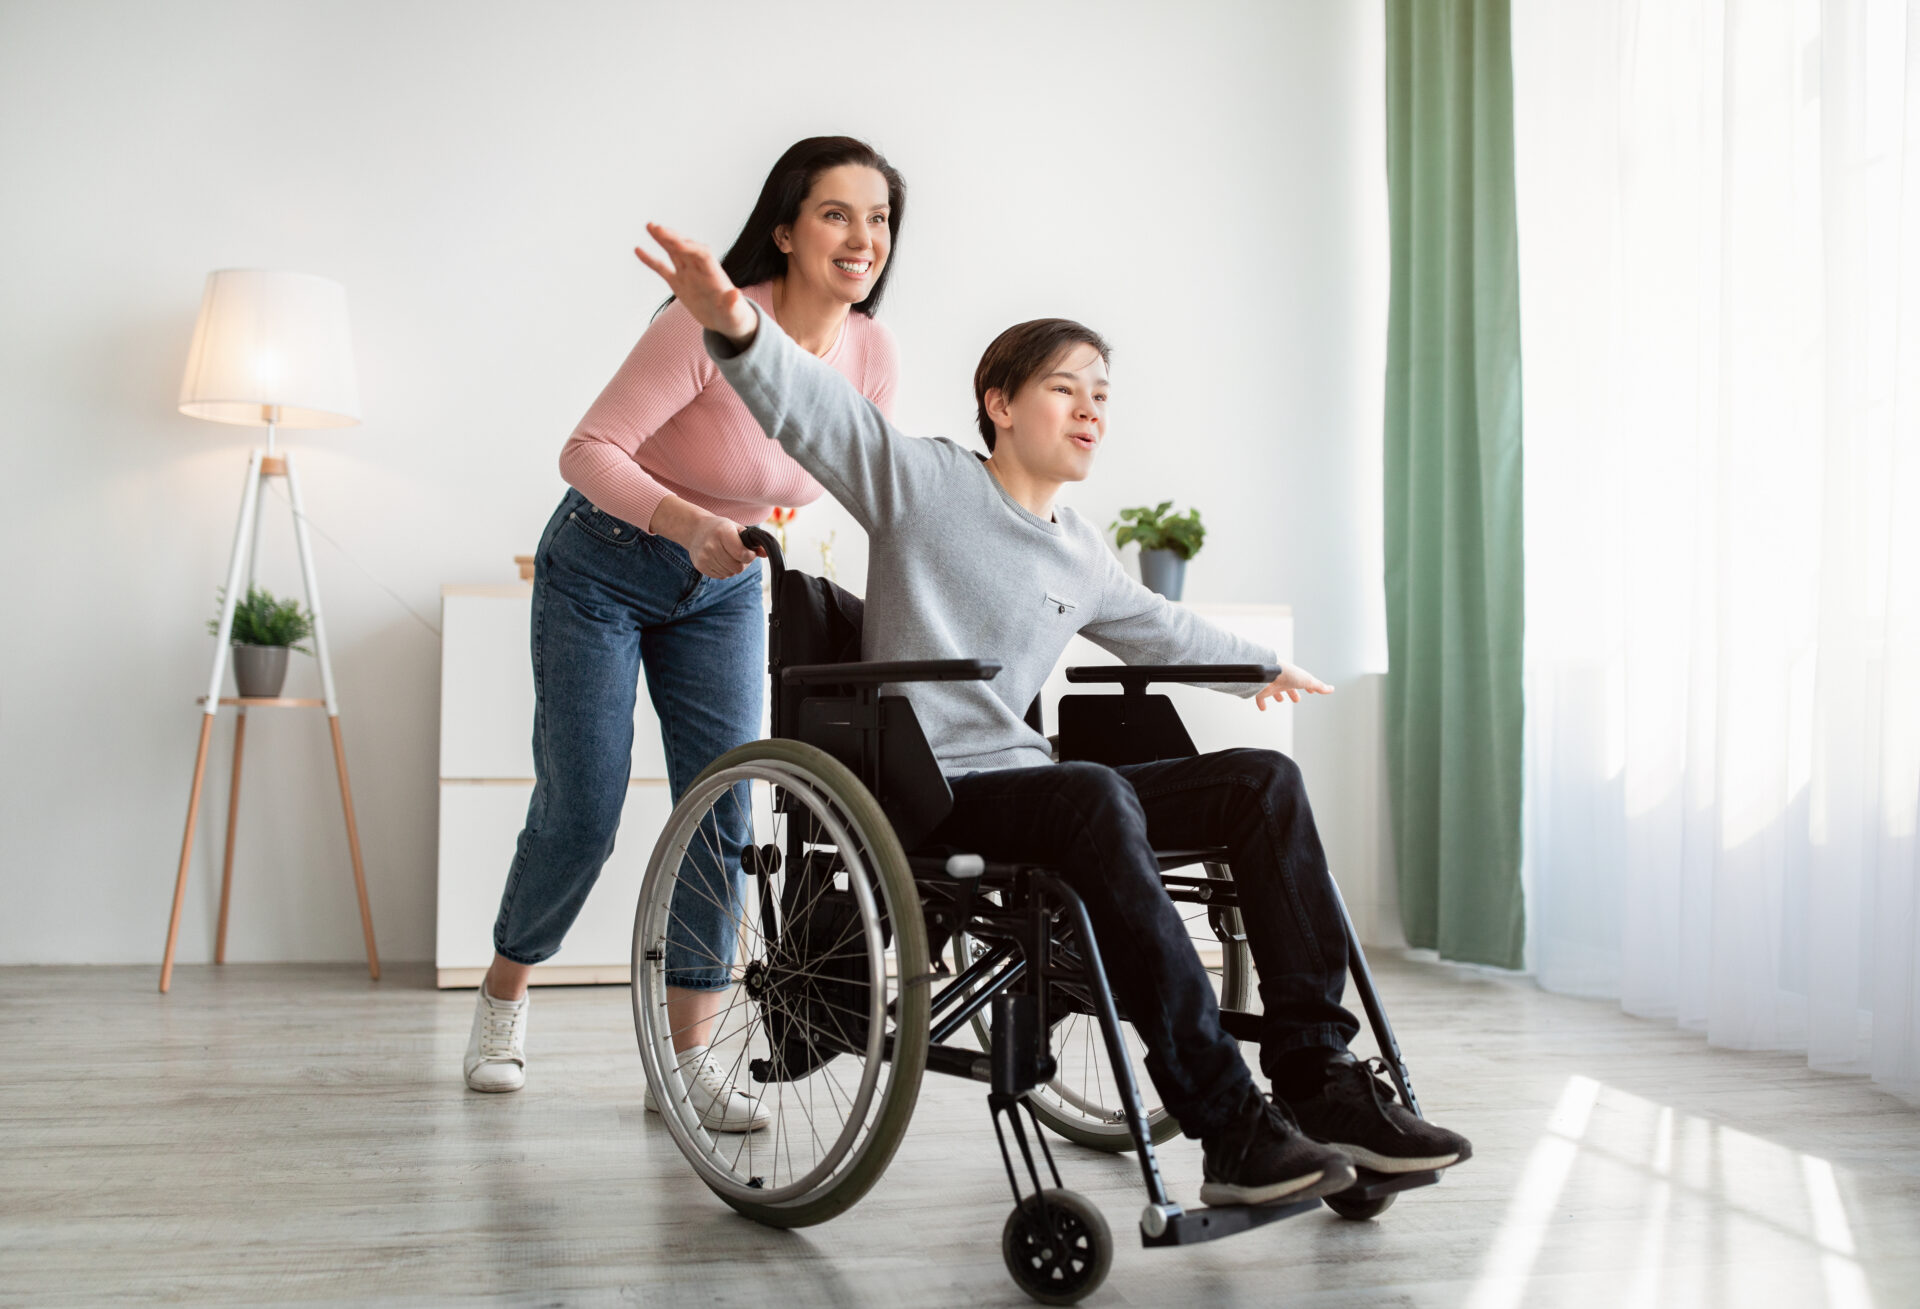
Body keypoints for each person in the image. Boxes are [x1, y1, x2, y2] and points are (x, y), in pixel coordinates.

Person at [632, 221, 1473, 1205]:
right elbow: (818, 411)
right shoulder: (925, 482)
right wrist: (731, 317)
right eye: (1066, 389)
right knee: (1089, 793)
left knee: (1262, 781)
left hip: (1044, 788)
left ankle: (1320, 1081)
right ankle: (1228, 1124)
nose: (1090, 412)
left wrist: (1264, 666)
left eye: (1102, 397)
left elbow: (1157, 626)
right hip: (938, 791)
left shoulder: (1079, 549)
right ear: (1001, 402)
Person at [462, 139, 907, 1131]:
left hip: (726, 587)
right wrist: (689, 523)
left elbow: (873, 484)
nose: (863, 238)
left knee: (726, 811)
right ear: (786, 229)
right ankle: (504, 995)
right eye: (837, 214)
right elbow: (587, 451)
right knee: (584, 805)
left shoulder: (872, 354)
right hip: (605, 565)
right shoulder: (701, 324)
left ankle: (690, 1062)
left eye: (878, 219)